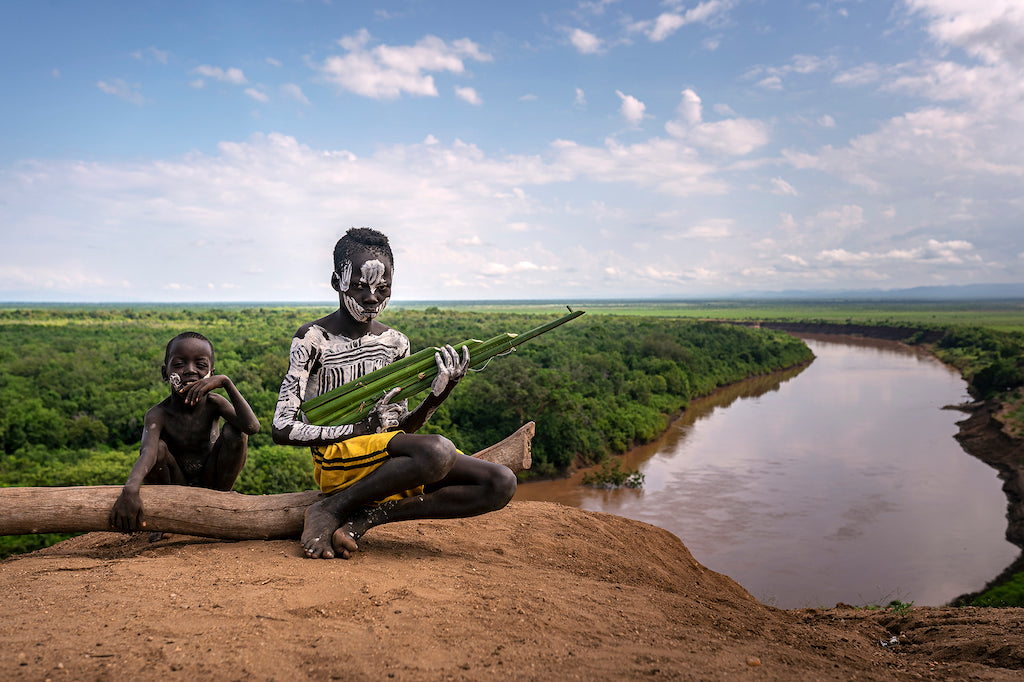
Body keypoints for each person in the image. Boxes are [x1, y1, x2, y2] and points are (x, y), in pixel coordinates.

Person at [272, 227, 517, 559]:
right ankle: (329, 508)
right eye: (359, 286)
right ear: (336, 282)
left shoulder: (396, 343)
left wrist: (437, 396)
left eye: (382, 287)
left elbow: (401, 430)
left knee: (500, 483)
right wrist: (359, 429)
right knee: (438, 450)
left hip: (386, 459)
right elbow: (282, 428)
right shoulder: (313, 339)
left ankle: (366, 517)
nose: (371, 297)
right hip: (338, 458)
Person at [109, 332, 261, 536]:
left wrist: (226, 383)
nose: (190, 371)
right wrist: (130, 490)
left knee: (236, 431)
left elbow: (252, 427)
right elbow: (148, 453)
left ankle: (222, 500)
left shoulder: (215, 403)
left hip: (213, 483)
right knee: (159, 449)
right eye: (179, 364)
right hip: (174, 486)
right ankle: (164, 516)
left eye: (201, 365)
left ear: (212, 374)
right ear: (165, 373)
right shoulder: (158, 414)